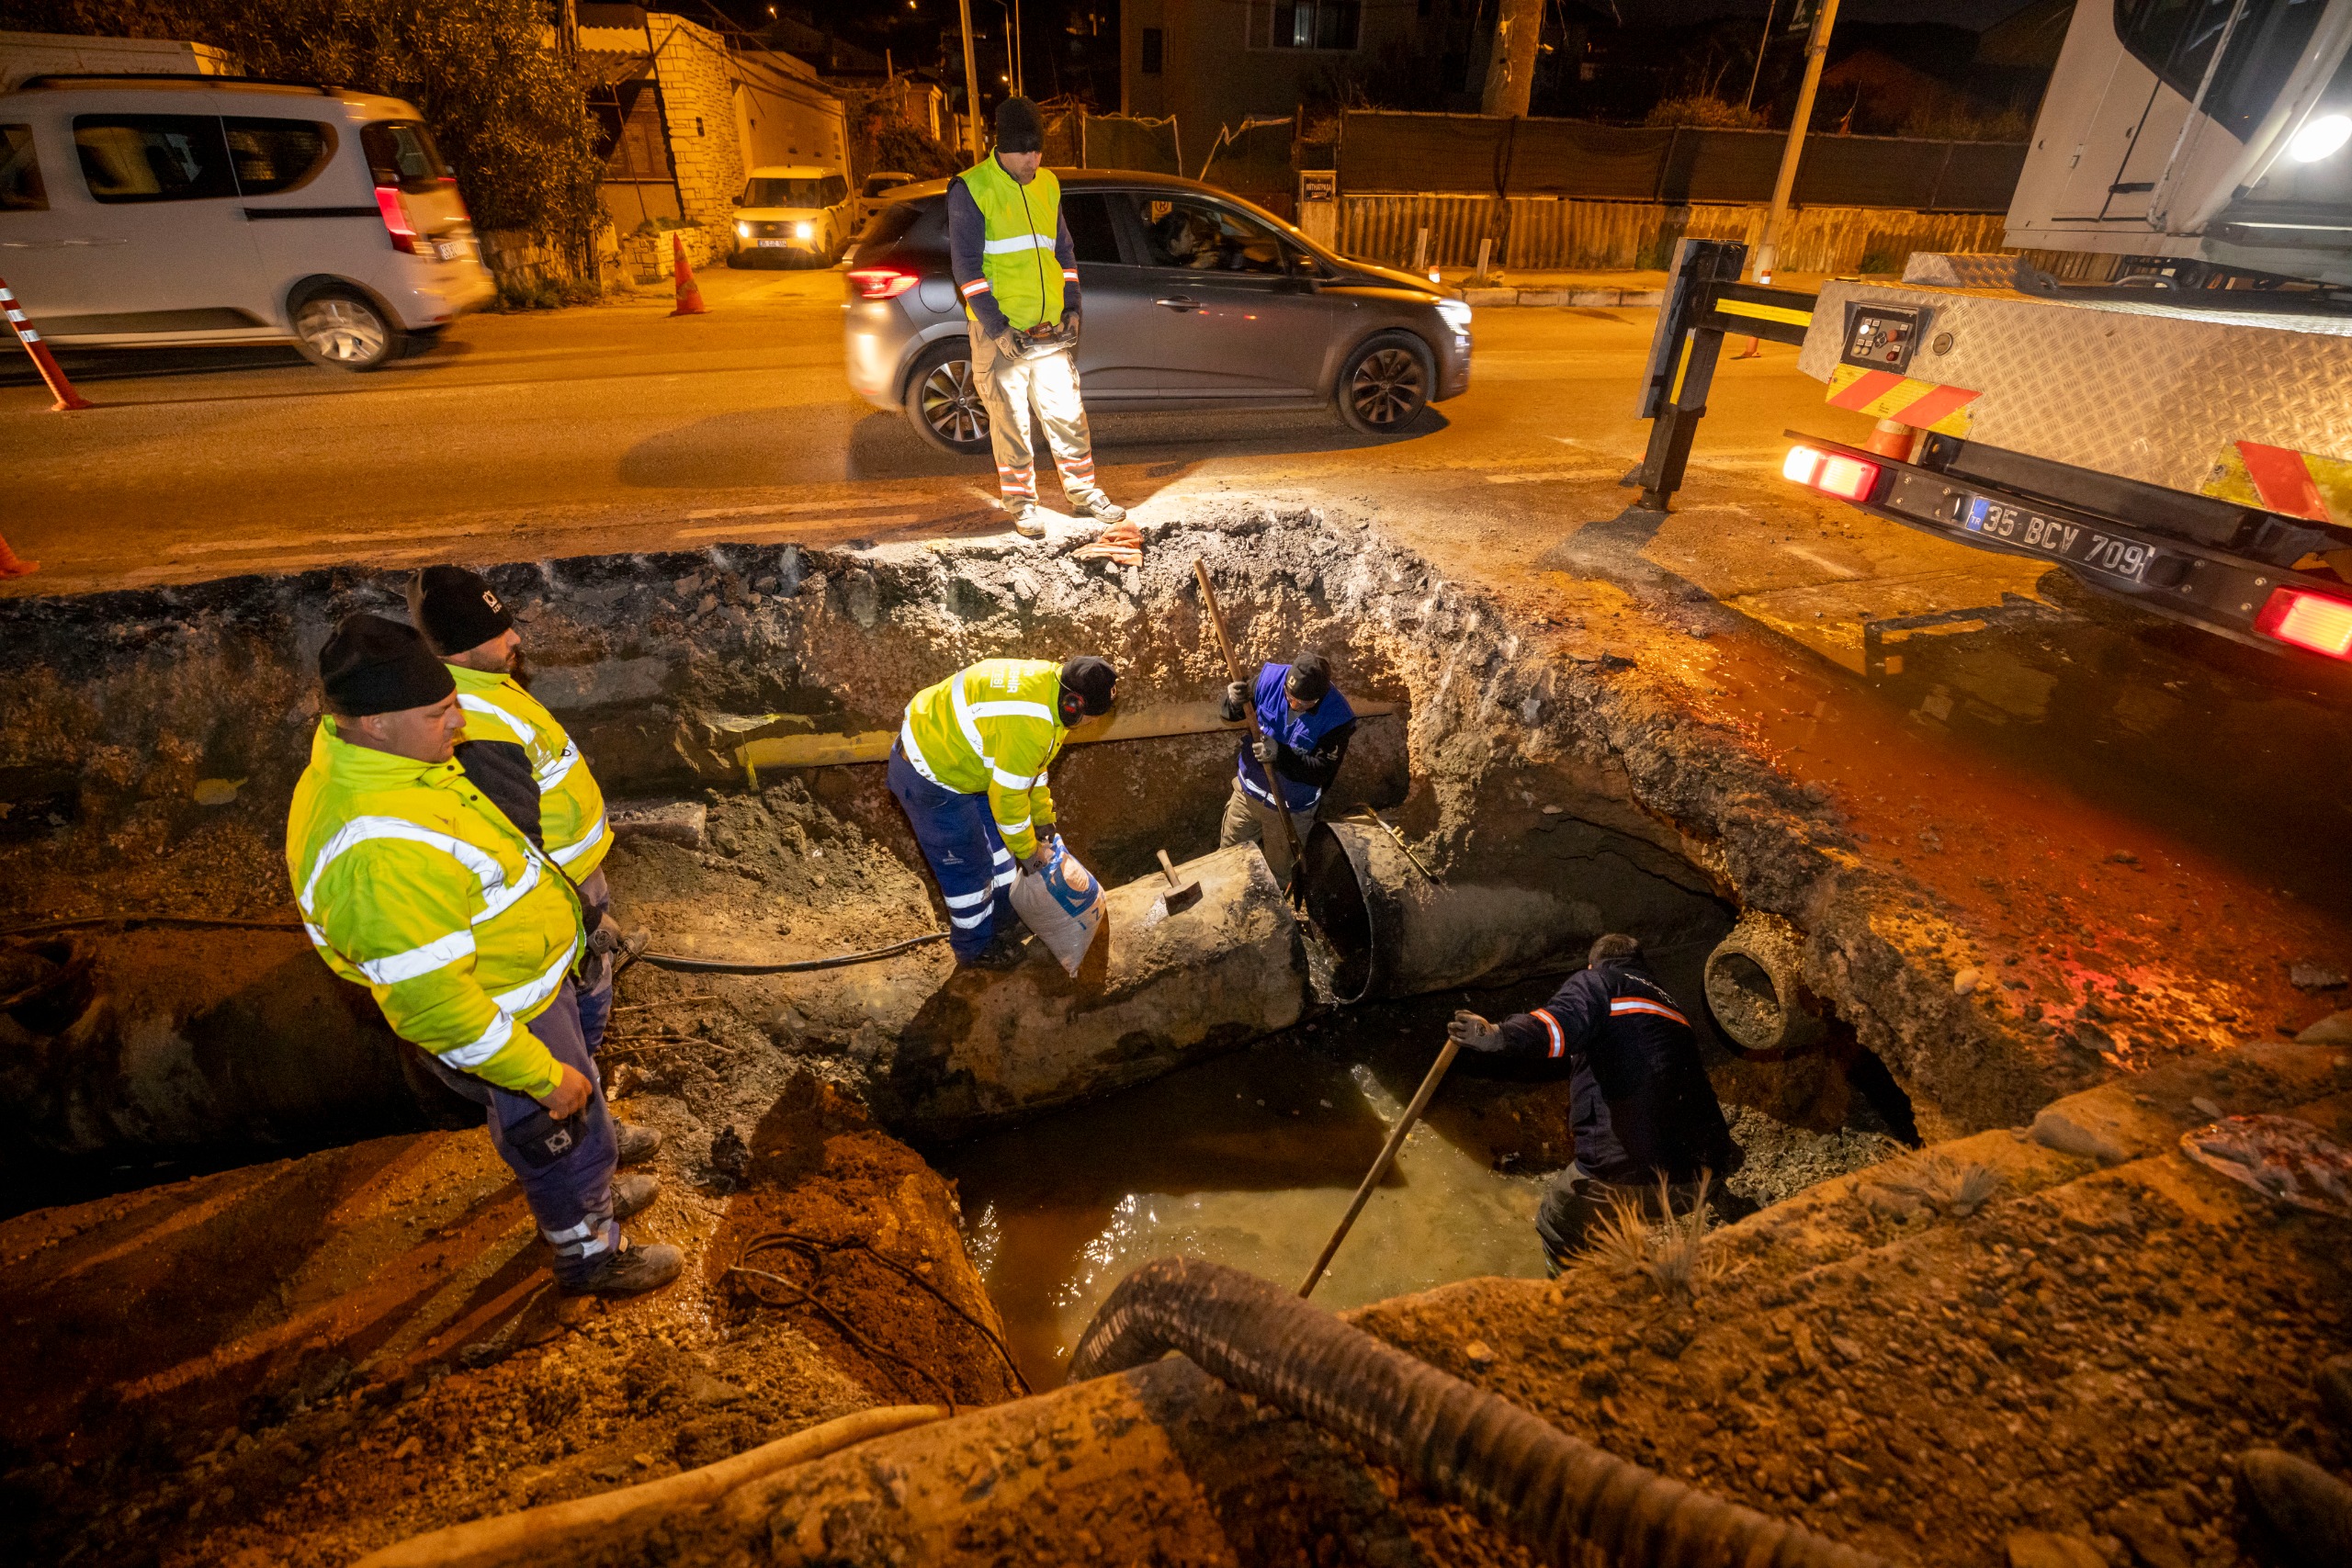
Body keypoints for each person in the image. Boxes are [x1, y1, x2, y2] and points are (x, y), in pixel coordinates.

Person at [285, 615, 679, 1296]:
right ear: (376, 722)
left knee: (573, 1120)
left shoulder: (402, 768)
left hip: (526, 983)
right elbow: (437, 1007)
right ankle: (589, 1254)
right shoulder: (377, 851)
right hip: (505, 1012)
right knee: (552, 1135)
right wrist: (540, 1075)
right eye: (439, 711)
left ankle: (592, 1191)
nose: (460, 720)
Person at [407, 565, 646, 1065]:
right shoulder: (472, 726)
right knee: (572, 1001)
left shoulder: (484, 682)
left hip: (574, 876)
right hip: (553, 892)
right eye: (496, 633)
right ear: (458, 650)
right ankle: (583, 1084)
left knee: (590, 976)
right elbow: (515, 847)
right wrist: (586, 916)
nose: (515, 637)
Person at [1446, 933, 1751, 1277]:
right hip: (1703, 1177)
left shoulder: (1599, 983)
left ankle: (1570, 1292)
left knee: (1558, 1220)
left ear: (1593, 965)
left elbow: (1555, 1027)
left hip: (1637, 1177)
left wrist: (1497, 1034)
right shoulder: (1673, 1009)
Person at [948, 96, 1126, 539]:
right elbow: (966, 269)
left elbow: (1063, 252)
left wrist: (1073, 307)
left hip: (1048, 331)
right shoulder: (972, 188)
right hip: (1002, 332)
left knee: (1067, 416)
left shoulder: (1047, 184)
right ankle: (1023, 505)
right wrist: (997, 327)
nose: (1033, 159)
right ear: (1002, 147)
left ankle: (1084, 493)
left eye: (1038, 149)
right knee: (1011, 423)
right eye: (1024, 151)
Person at [889, 655, 1117, 969]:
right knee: (970, 870)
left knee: (1001, 851)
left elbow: (1032, 768)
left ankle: (1004, 919)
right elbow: (1009, 801)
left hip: (966, 757)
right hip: (930, 774)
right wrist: (1032, 857)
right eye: (1091, 718)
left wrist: (1043, 819)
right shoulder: (1030, 724)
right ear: (1074, 706)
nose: (1091, 724)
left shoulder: (1054, 690)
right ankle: (975, 949)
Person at [1216, 653, 1355, 887]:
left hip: (1290, 811)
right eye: (1289, 697)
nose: (1293, 705)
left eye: (1304, 704)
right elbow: (1233, 712)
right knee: (1229, 861)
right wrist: (1232, 701)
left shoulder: (1337, 717)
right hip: (1246, 797)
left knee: (1278, 877)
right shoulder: (1270, 679)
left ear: (1321, 697)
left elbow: (1321, 772)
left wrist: (1281, 755)